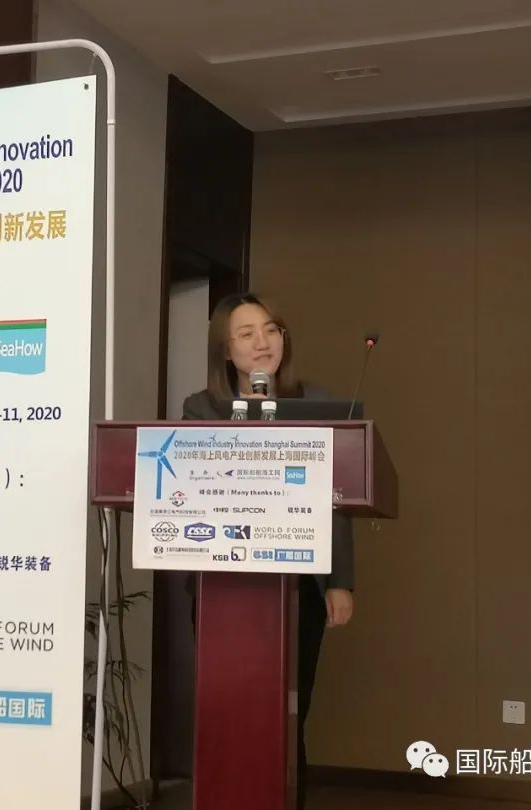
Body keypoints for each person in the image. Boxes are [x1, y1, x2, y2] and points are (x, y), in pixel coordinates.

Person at [181, 291, 354, 810]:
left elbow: (339, 497)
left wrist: (341, 580)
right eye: (247, 333)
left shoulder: (316, 401)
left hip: (299, 584)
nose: (263, 342)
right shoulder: (201, 408)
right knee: (230, 714)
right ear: (225, 350)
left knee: (288, 714)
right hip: (223, 586)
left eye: (271, 330)